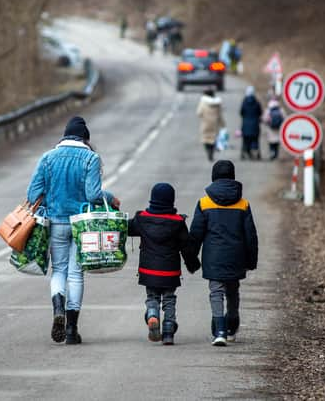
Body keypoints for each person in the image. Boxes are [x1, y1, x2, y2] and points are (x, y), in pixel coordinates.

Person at [27, 116, 120, 345]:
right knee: (76, 273)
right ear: (85, 138)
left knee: (58, 270)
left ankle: (57, 308)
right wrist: (110, 198)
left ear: (65, 135)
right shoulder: (90, 158)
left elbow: (32, 195)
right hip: (83, 225)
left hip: (56, 222)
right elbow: (94, 196)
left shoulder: (47, 158)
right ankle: (71, 329)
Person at [189, 160, 258, 346]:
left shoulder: (204, 203)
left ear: (214, 176)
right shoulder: (243, 204)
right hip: (237, 256)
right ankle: (232, 323)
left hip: (213, 257)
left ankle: (219, 330)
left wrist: (191, 258)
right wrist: (251, 260)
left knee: (216, 291)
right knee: (233, 290)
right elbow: (250, 235)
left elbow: (196, 234)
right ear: (233, 176)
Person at [128, 183, 200, 345]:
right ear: (171, 201)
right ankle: (168, 332)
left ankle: (152, 314)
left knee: (152, 297)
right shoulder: (178, 222)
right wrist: (193, 265)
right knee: (169, 299)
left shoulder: (142, 219)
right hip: (170, 272)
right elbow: (186, 248)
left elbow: (126, 228)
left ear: (152, 199)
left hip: (148, 271)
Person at [196, 89, 226, 162]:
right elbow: (220, 115)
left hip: (206, 124)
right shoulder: (218, 103)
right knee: (214, 139)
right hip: (215, 124)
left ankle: (208, 152)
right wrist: (223, 124)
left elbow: (199, 113)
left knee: (206, 139)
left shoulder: (203, 103)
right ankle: (211, 153)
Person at [240, 86, 263, 160]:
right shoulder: (257, 103)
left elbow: (241, 112)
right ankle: (256, 154)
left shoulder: (244, 102)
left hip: (246, 124)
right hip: (255, 125)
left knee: (246, 140)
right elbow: (260, 112)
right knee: (255, 140)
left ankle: (245, 153)